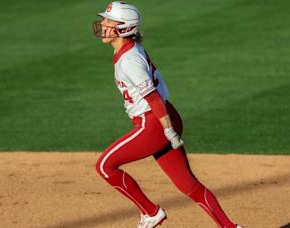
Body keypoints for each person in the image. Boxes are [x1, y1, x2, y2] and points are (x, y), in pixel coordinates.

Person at [92, 2, 243, 228]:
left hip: (154, 123)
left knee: (104, 166)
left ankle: (151, 213)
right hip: (163, 117)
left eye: (109, 21)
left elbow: (152, 98)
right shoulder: (128, 50)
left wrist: (168, 130)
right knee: (188, 185)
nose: (103, 23)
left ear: (124, 28)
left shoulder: (129, 60)